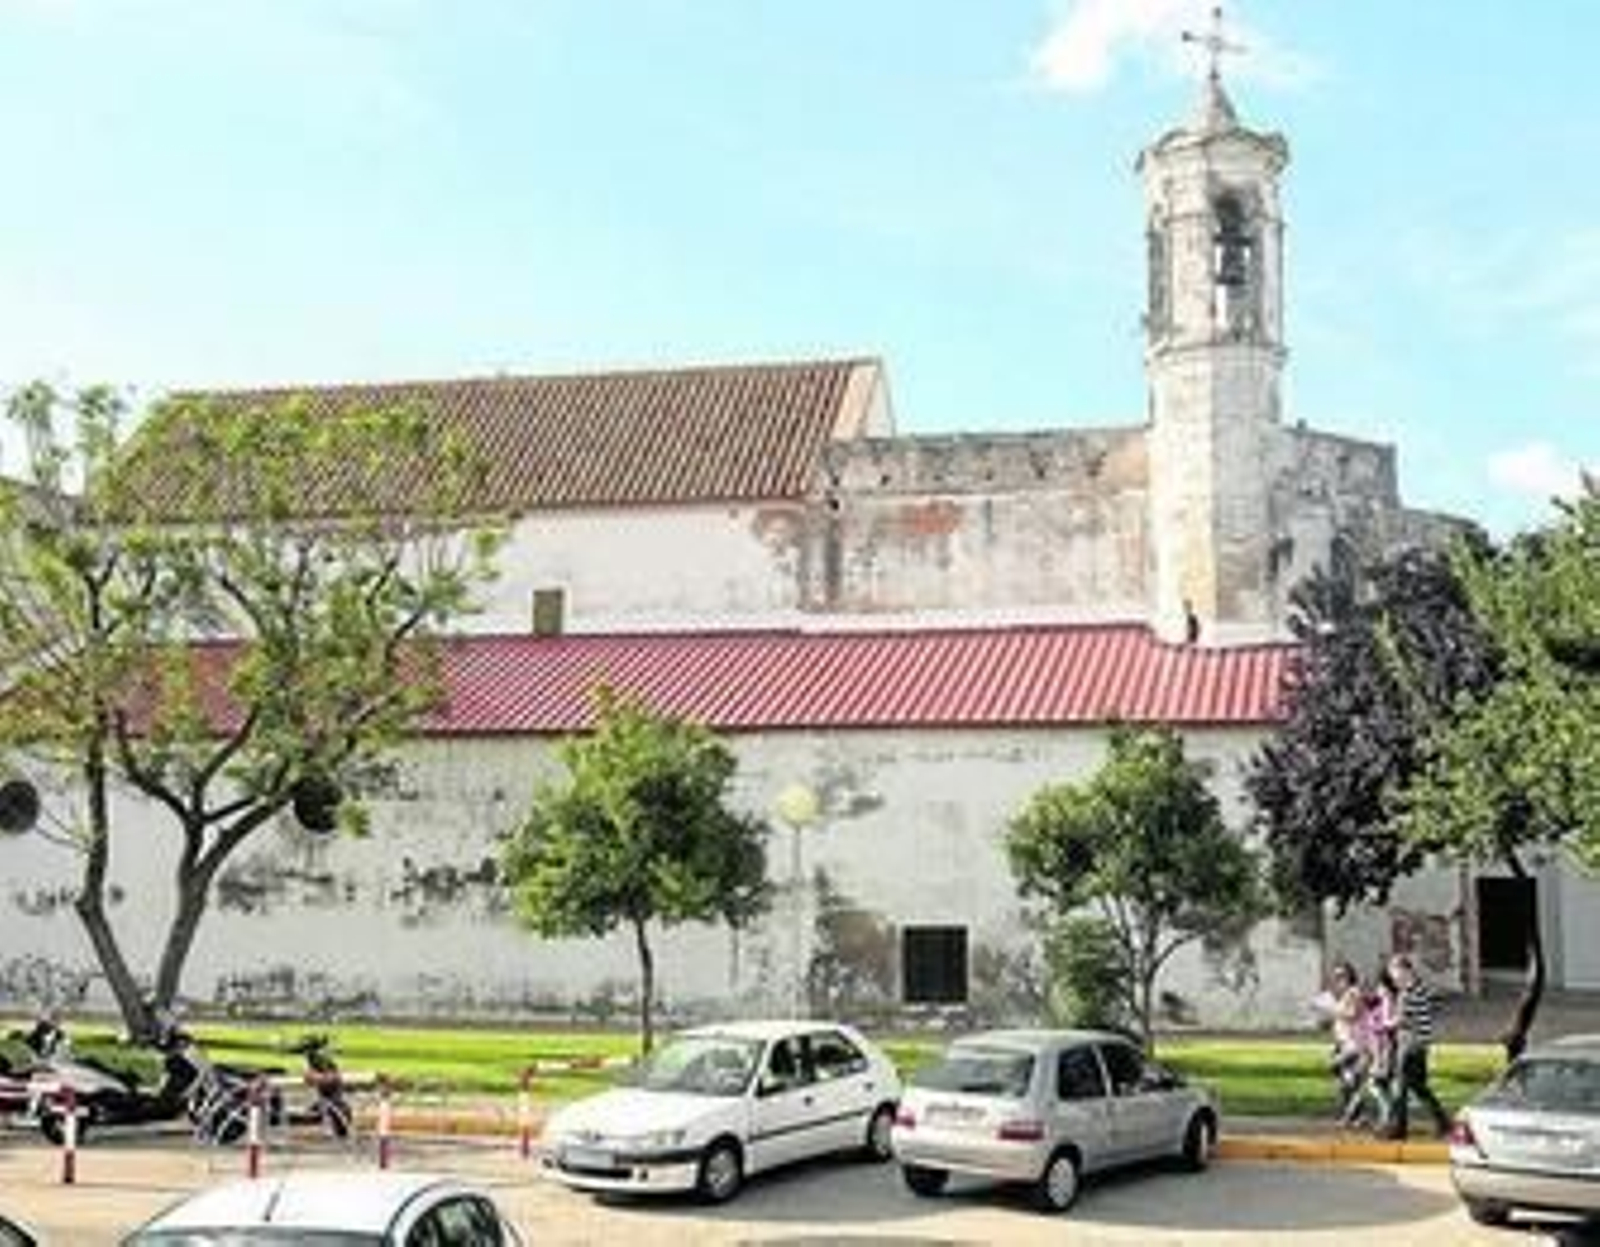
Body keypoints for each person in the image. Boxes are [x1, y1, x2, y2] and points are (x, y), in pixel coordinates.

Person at [1385, 953, 1451, 1139]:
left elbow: (1400, 1020)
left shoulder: (1407, 993)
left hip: (1409, 1046)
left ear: (1405, 971)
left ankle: (1398, 1130)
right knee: (1420, 1087)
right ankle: (1444, 1123)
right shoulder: (1421, 988)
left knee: (1400, 1088)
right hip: (1422, 1045)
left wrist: (1384, 1025)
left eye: (1396, 975)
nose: (1394, 980)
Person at [1322, 962, 1367, 1121]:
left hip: (1353, 1042)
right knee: (1345, 1077)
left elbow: (1353, 1014)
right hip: (1343, 1041)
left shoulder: (1353, 992)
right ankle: (1355, 1112)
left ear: (1350, 976)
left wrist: (1333, 1010)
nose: (1338, 979)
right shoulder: (1344, 994)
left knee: (1341, 1071)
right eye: (1336, 976)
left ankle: (1354, 1110)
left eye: (1342, 976)